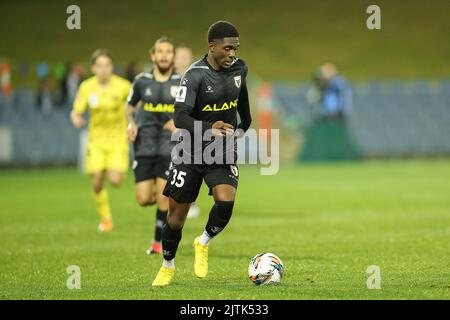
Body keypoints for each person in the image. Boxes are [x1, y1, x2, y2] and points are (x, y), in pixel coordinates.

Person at [152, 21, 252, 286]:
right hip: (190, 151)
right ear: (212, 47)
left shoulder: (240, 68)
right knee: (176, 218)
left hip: (221, 150)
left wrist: (244, 126)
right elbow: (180, 117)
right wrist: (210, 127)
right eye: (227, 48)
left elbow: (242, 101)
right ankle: (168, 265)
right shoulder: (194, 75)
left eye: (236, 48)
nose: (232, 54)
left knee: (225, 202)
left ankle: (203, 241)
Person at [126, 37, 179, 255]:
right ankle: (158, 191)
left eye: (168, 51)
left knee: (163, 200)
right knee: (143, 199)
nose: (164, 55)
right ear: (153, 55)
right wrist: (131, 123)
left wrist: (179, 121)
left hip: (169, 144)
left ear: (173, 56)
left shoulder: (183, 81)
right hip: (144, 143)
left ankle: (157, 243)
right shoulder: (141, 81)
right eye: (160, 51)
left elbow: (192, 110)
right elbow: (128, 107)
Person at [70, 49, 131, 232]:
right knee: (96, 180)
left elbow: (135, 105)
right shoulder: (86, 87)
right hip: (96, 140)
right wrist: (76, 119)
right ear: (93, 68)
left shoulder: (124, 86)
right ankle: (106, 219)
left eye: (107, 65)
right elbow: (76, 111)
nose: (103, 69)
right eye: (99, 66)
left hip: (118, 139)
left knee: (115, 180)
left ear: (112, 67)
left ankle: (108, 169)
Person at [174, 44, 201, 219]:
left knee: (187, 167)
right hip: (165, 131)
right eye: (180, 56)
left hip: (189, 131)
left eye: (186, 56)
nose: (183, 59)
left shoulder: (197, 77)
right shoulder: (165, 79)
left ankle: (189, 202)